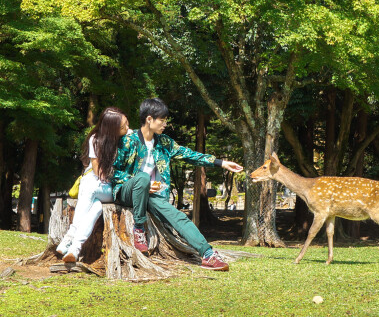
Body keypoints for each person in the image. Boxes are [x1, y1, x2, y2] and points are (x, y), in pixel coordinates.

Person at [111, 98, 244, 271]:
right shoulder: (128, 141)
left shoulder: (164, 142)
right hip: (127, 192)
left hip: (152, 196)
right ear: (149, 119)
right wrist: (138, 183)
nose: (165, 124)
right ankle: (138, 228)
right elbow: (113, 172)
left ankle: (208, 254)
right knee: (143, 178)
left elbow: (189, 154)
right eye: (162, 120)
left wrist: (220, 163)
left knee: (179, 217)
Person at [57, 107, 129, 263]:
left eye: (127, 124)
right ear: (112, 128)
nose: (127, 128)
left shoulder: (128, 140)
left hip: (112, 188)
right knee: (95, 206)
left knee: (90, 187)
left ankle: (69, 236)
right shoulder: (96, 139)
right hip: (98, 183)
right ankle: (75, 249)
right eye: (123, 127)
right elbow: (98, 172)